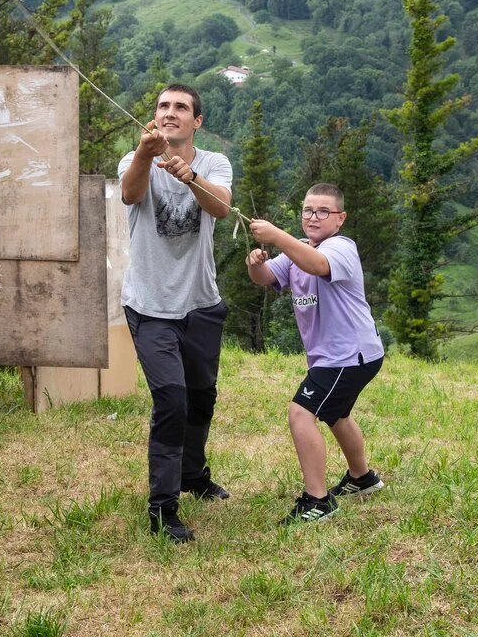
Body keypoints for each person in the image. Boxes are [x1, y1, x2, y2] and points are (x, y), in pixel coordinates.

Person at [119, 84, 233, 543]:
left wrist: (191, 177)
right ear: (154, 117)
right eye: (163, 106)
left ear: (196, 121)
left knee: (202, 398)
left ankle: (193, 474)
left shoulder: (214, 163)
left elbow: (221, 207)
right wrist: (145, 155)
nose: (170, 112)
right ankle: (163, 509)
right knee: (171, 403)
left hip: (201, 304)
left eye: (181, 107)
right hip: (150, 307)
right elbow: (130, 194)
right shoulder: (135, 160)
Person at [246, 183, 386, 525]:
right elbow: (265, 278)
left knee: (300, 413)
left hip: (348, 356)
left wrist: (277, 236)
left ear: (340, 218)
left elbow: (318, 265)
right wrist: (255, 263)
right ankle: (362, 478)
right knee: (336, 413)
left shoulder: (340, 248)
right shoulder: (297, 251)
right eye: (308, 210)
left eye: (323, 211)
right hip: (342, 357)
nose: (313, 217)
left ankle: (318, 501)